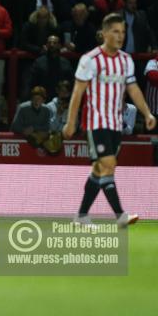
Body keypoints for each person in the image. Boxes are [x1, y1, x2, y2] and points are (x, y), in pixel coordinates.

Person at [63, 13, 156, 228]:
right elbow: (78, 92)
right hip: (95, 122)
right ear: (104, 33)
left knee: (100, 170)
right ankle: (121, 215)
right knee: (107, 166)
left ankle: (82, 215)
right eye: (115, 31)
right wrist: (70, 122)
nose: (120, 36)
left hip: (116, 124)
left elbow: (132, 88)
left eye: (123, 32)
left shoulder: (125, 60)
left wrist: (147, 113)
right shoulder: (90, 59)